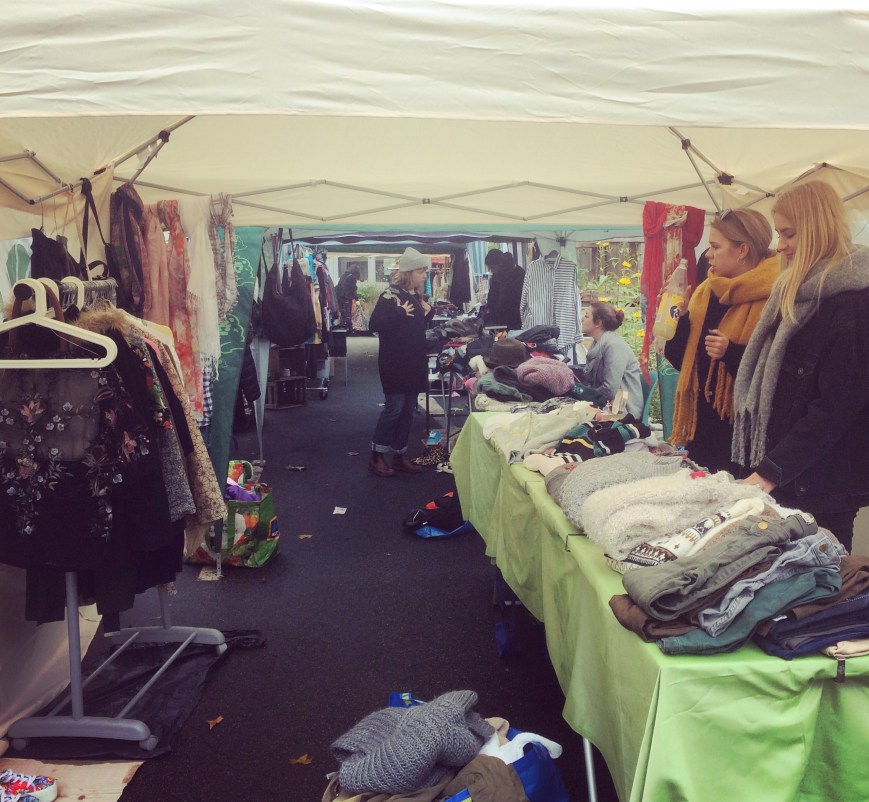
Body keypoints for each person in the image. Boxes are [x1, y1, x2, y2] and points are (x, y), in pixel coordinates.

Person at [733, 181, 869, 552]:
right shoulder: (796, 292)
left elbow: (836, 407)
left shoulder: (853, 303)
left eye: (789, 233)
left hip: (819, 486)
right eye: (780, 233)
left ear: (817, 228)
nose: (780, 245)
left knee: (819, 580)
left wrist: (771, 470)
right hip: (790, 477)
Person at [665, 209, 779, 474]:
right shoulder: (706, 292)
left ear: (742, 250)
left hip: (745, 440)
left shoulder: (775, 295)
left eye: (716, 246)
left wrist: (731, 352)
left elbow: (776, 374)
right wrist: (681, 317)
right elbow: (683, 362)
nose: (708, 254)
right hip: (703, 432)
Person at [367, 247, 434, 477]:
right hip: (395, 363)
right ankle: (377, 456)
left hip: (413, 362)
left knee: (408, 410)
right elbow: (374, 325)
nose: (425, 275)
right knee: (394, 409)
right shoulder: (390, 295)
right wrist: (398, 313)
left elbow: (415, 327)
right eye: (421, 271)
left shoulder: (413, 296)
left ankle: (399, 455)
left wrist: (428, 312)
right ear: (408, 272)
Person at [578, 301, 644, 418]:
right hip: (605, 406)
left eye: (587, 316)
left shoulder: (614, 345)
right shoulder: (598, 343)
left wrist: (581, 393)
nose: (582, 319)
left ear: (598, 323)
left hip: (622, 411)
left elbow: (610, 390)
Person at [483, 250, 525, 330]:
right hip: (499, 322)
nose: (492, 271)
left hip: (515, 321)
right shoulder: (497, 276)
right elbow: (492, 297)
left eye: (492, 267)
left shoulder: (519, 275)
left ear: (500, 264)